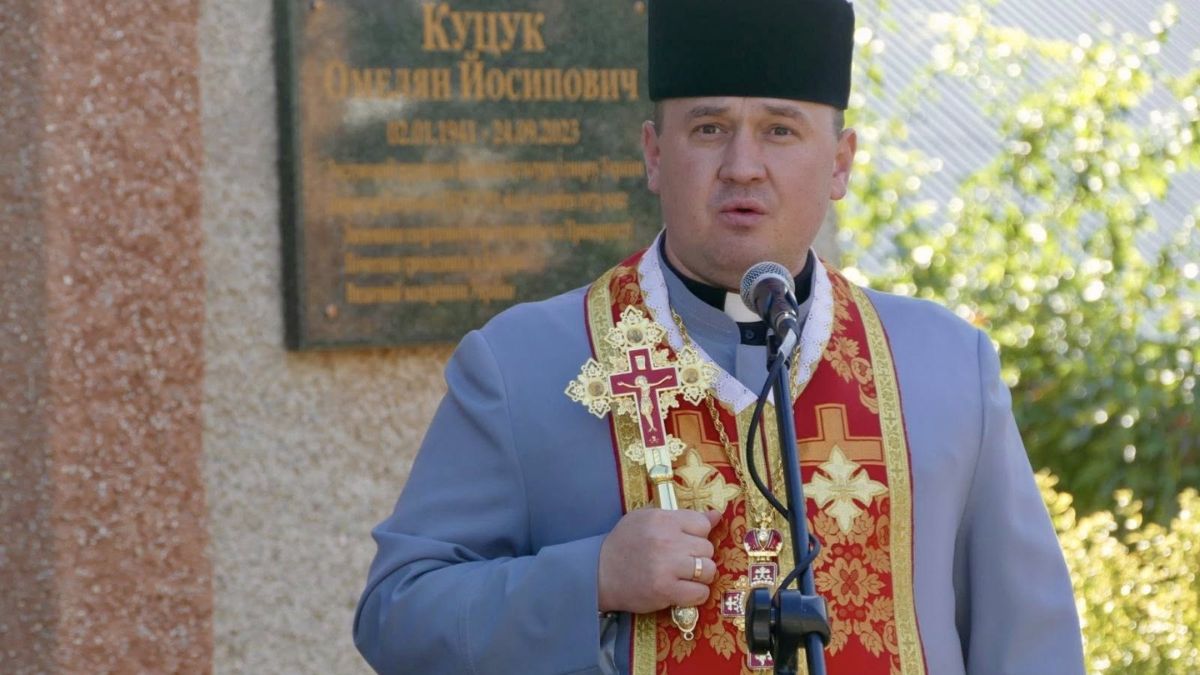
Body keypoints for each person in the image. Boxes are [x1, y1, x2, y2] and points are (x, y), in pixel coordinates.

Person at [353, 0, 1086, 672]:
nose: (742, 166)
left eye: (780, 130)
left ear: (839, 162)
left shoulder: (946, 365)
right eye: (708, 129)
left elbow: (1032, 647)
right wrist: (592, 577)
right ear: (654, 154)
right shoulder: (522, 363)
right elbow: (397, 616)